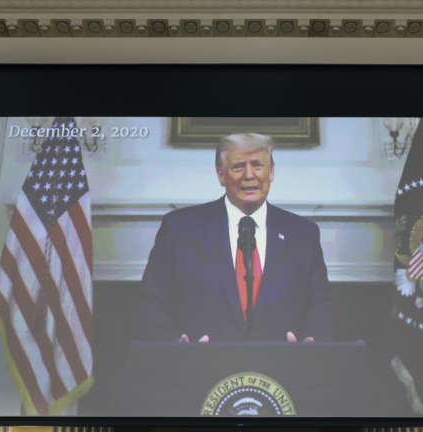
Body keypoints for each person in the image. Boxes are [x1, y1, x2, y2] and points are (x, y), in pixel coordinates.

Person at [137, 132, 333, 344]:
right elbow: (151, 301)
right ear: (221, 174)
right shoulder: (180, 229)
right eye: (238, 167)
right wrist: (175, 344)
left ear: (271, 172)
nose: (249, 175)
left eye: (257, 165)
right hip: (203, 361)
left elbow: (321, 305)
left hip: (281, 361)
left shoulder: (303, 233)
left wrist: (311, 341)